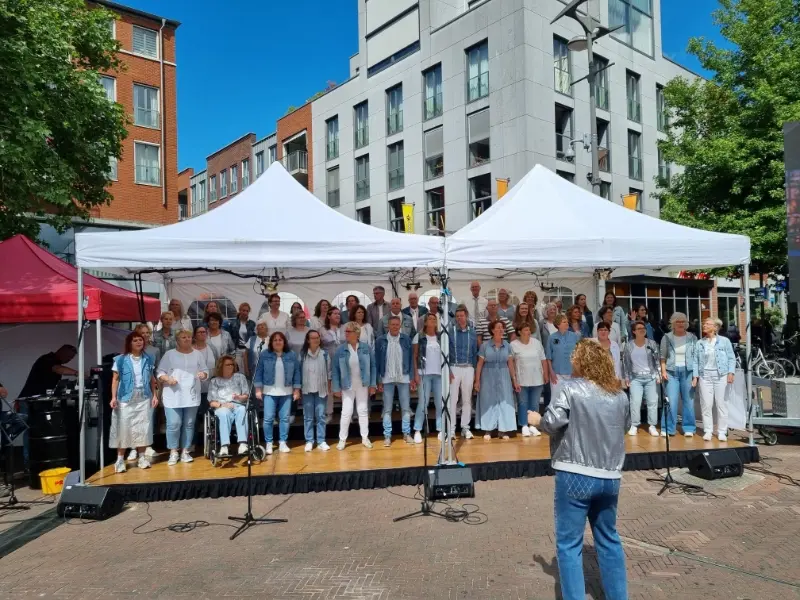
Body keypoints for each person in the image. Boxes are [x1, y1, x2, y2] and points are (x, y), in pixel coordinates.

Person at [527, 339, 630, 600]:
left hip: (575, 473)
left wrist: (537, 420)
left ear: (581, 362)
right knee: (608, 539)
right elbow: (626, 426)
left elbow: (552, 422)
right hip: (609, 475)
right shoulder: (619, 394)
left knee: (569, 544)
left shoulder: (570, 388)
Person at [157, 330, 209, 465]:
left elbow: (205, 370)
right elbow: (160, 372)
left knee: (189, 424)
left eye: (189, 337)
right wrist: (167, 379)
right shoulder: (169, 354)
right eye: (183, 337)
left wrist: (204, 374)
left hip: (191, 394)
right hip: (173, 395)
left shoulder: (197, 354)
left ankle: (185, 451)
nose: (187, 339)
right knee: (174, 423)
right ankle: (173, 451)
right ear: (177, 340)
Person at [110, 332, 158, 473]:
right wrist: (113, 397)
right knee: (124, 428)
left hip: (143, 396)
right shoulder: (120, 359)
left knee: (142, 427)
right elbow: (115, 379)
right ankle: (119, 460)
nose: (139, 342)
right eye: (135, 340)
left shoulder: (148, 358)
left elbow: (151, 379)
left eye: (140, 340)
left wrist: (155, 395)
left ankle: (142, 457)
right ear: (129, 343)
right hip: (125, 397)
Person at [331, 322, 376, 450]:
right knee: (347, 412)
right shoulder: (340, 349)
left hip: (363, 384)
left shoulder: (366, 348)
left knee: (363, 411)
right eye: (345, 331)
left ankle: (365, 438)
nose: (346, 334)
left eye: (348, 331)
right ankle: (342, 439)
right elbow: (335, 370)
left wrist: (373, 384)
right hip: (347, 386)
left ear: (356, 333)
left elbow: (373, 366)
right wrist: (336, 388)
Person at [254, 332, 299, 454]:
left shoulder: (291, 355)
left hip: (287, 391)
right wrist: (258, 389)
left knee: (285, 419)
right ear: (271, 343)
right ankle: (269, 443)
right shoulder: (264, 355)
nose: (278, 342)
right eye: (275, 340)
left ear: (284, 342)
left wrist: (296, 389)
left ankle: (282, 442)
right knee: (268, 419)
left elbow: (297, 373)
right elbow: (258, 372)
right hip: (269, 392)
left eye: (280, 340)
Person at [693, 317, 736, 442]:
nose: (704, 325)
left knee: (721, 404)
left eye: (707, 324)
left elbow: (731, 358)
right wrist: (695, 376)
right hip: (705, 375)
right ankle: (708, 430)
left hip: (720, 375)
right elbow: (695, 361)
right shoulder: (700, 343)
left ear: (715, 327)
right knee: (706, 404)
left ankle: (722, 431)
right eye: (704, 323)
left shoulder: (724, 341)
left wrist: (731, 372)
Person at [375, 315, 415, 446]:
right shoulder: (380, 340)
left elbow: (410, 359)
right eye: (392, 324)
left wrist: (412, 377)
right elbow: (377, 361)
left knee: (405, 408)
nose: (395, 327)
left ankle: (406, 433)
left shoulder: (406, 339)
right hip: (387, 377)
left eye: (397, 325)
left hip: (403, 377)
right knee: (387, 409)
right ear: (388, 325)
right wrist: (378, 380)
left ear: (400, 326)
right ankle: (387, 435)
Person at [474, 320, 518, 440]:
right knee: (488, 401)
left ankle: (503, 430)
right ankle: (488, 429)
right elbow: (479, 364)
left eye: (502, 328)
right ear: (492, 330)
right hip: (488, 375)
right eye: (498, 327)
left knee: (504, 401)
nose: (500, 330)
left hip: (504, 375)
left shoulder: (507, 345)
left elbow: (510, 364)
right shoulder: (484, 345)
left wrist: (514, 380)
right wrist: (477, 381)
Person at [659, 312, 697, 438]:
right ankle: (668, 428)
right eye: (678, 321)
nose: (680, 324)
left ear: (686, 323)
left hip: (688, 372)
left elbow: (696, 358)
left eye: (683, 321)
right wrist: (663, 371)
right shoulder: (667, 337)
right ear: (673, 324)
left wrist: (696, 375)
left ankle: (689, 428)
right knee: (671, 401)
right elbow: (662, 357)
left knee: (688, 401)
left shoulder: (692, 337)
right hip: (671, 372)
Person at [622, 320, 661, 437]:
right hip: (635, 378)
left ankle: (652, 425)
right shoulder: (629, 345)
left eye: (643, 328)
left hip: (650, 377)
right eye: (639, 328)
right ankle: (634, 425)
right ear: (634, 331)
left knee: (652, 402)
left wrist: (658, 374)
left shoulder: (652, 343)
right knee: (635, 401)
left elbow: (657, 360)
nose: (642, 330)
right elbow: (626, 362)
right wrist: (627, 377)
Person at [295, 329, 331, 452]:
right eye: (313, 338)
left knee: (321, 416)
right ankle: (309, 441)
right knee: (308, 417)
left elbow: (329, 372)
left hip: (321, 389)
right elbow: (298, 372)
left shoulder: (325, 354)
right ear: (308, 340)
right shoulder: (302, 354)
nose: (316, 340)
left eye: (317, 337)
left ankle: (321, 441)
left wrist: (329, 387)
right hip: (307, 390)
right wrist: (297, 389)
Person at [208, 355, 250, 457]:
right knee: (223, 413)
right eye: (228, 365)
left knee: (242, 410)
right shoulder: (215, 381)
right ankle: (224, 446)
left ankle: (243, 444)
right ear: (221, 366)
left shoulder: (240, 377)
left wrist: (239, 397)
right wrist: (223, 404)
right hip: (221, 406)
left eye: (232, 364)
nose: (231, 366)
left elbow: (246, 395)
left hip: (238, 404)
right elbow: (211, 402)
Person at [511, 323, 547, 437]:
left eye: (529, 330)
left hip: (537, 378)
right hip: (522, 379)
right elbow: (511, 363)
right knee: (523, 403)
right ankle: (524, 425)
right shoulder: (513, 345)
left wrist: (545, 374)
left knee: (535, 403)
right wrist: (514, 379)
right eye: (525, 330)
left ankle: (533, 425)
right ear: (520, 332)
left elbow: (543, 359)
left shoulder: (536, 343)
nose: (528, 332)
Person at [412, 314, 445, 443]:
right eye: (430, 319)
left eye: (434, 319)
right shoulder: (418, 336)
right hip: (423, 373)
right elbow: (415, 356)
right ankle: (417, 430)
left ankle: (440, 429)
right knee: (423, 403)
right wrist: (415, 374)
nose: (433, 321)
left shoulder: (441, 337)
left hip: (438, 374)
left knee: (439, 402)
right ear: (425, 322)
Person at [448, 306, 479, 439]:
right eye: (457, 316)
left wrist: (475, 371)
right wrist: (448, 369)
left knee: (467, 399)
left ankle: (465, 428)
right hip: (454, 367)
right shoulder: (450, 331)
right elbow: (446, 352)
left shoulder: (472, 332)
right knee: (453, 399)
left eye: (462, 315)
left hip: (469, 368)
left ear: (466, 316)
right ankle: (451, 429)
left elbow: (474, 352)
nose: (460, 318)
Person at [546, 315, 580, 401]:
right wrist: (551, 373)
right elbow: (548, 357)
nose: (567, 323)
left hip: (572, 373)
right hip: (557, 374)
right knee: (556, 399)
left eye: (567, 321)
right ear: (558, 324)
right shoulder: (551, 337)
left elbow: (578, 354)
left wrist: (577, 370)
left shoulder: (574, 336)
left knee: (571, 399)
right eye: (564, 322)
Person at [192, 324, 218, 421]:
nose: (202, 334)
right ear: (194, 335)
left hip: (209, 385)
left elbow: (218, 363)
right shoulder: (191, 349)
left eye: (204, 332)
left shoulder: (212, 348)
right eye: (200, 332)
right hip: (194, 385)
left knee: (207, 411)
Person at [224, 302, 255, 372]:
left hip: (248, 350)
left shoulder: (252, 323)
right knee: (238, 369)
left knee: (248, 369)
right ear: (240, 310)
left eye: (247, 311)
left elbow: (254, 338)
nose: (245, 312)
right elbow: (230, 337)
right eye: (243, 310)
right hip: (237, 349)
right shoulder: (233, 323)